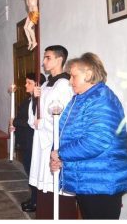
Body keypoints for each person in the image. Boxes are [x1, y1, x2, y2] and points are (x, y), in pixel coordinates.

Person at [50, 52, 127, 219]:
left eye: (73, 76)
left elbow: (96, 141)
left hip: (102, 180)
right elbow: (66, 132)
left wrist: (60, 153)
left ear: (88, 75)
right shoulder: (81, 99)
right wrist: (57, 156)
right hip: (89, 178)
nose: (70, 81)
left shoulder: (101, 99)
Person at [28, 45, 74, 218]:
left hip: (54, 142)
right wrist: (34, 98)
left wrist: (42, 123)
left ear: (59, 59)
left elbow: (63, 117)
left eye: (48, 58)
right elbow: (36, 115)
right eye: (44, 57)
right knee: (44, 184)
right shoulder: (47, 83)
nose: (44, 61)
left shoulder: (65, 85)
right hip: (42, 141)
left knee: (55, 185)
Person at [9, 72, 46, 212]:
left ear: (37, 85)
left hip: (32, 140)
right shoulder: (28, 100)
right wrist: (14, 126)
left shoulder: (39, 101)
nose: (25, 85)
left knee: (33, 171)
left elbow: (32, 122)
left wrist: (15, 122)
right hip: (25, 139)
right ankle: (34, 198)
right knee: (29, 170)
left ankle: (36, 201)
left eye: (29, 83)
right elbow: (22, 118)